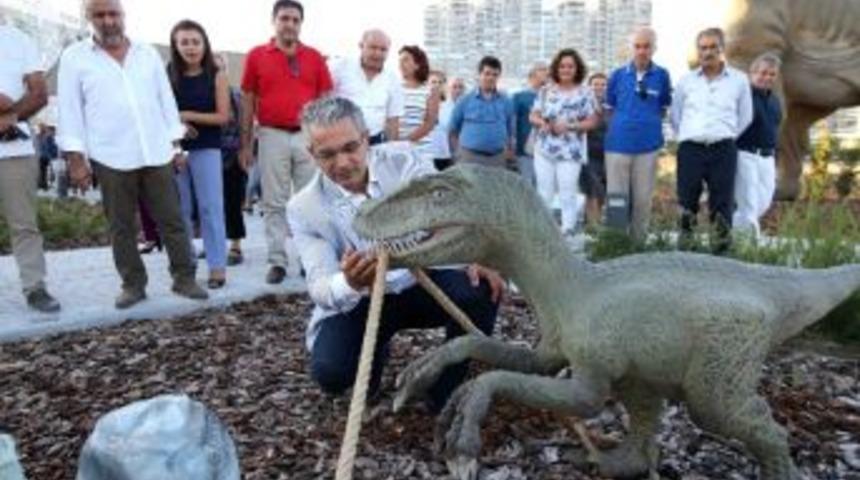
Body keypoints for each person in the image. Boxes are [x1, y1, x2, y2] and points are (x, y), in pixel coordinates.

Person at [287, 97, 505, 412]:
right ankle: (375, 349)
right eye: (328, 154)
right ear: (312, 154)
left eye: (350, 147)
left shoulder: (404, 159)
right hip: (361, 302)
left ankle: (446, 388)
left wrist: (475, 254)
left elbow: (448, 213)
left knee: (482, 288)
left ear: (366, 139)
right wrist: (350, 282)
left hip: (422, 284)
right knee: (332, 375)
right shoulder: (304, 207)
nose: (343, 163)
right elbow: (320, 286)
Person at [58, 0, 208, 309]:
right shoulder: (74, 58)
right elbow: (70, 111)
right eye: (99, 15)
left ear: (123, 15)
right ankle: (133, 284)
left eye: (113, 13)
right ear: (88, 18)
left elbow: (165, 101)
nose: (108, 20)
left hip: (156, 151)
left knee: (173, 220)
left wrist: (176, 146)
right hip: (110, 155)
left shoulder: (146, 53)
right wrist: (76, 158)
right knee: (121, 226)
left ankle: (184, 278)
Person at [240, 0, 333, 284]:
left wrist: (324, 140)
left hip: (307, 136)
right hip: (271, 134)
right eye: (284, 18)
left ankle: (310, 259)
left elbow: (325, 100)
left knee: (311, 199)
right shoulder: (257, 55)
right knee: (273, 200)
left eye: (295, 19)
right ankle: (277, 260)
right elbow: (247, 101)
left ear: (301, 24)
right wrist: (245, 143)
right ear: (274, 21)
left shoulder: (314, 57)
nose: (289, 24)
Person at [671, 27, 753, 254]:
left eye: (713, 47)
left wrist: (726, 135)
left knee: (722, 203)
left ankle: (721, 251)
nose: (707, 52)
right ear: (698, 51)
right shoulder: (686, 81)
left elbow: (745, 116)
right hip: (691, 150)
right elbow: (676, 116)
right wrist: (690, 135)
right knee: (687, 200)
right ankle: (686, 249)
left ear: (722, 49)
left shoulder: (739, 80)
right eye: (703, 48)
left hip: (723, 149)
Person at [0, 21, 61, 312]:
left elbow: (39, 93)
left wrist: (9, 116)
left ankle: (35, 288)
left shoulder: (18, 39)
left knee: (23, 223)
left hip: (14, 146)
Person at [167, 20, 230, 289]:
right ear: (176, 45)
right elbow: (161, 112)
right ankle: (186, 266)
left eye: (196, 42)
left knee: (210, 208)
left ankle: (217, 267)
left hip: (207, 148)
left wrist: (186, 115)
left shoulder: (217, 75)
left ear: (205, 45)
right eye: (184, 42)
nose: (191, 47)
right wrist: (177, 132)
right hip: (175, 150)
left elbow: (223, 117)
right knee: (180, 210)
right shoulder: (168, 74)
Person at [604, 27, 672, 241]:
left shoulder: (662, 75)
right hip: (617, 146)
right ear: (631, 48)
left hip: (648, 147)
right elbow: (609, 107)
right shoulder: (617, 75)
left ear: (654, 48)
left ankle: (638, 243)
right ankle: (615, 242)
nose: (642, 51)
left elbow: (663, 106)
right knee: (617, 198)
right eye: (637, 46)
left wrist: (646, 124)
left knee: (643, 199)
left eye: (646, 46)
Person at [529, 48, 600, 237]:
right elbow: (533, 115)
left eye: (570, 66)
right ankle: (543, 232)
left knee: (568, 192)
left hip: (571, 151)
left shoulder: (586, 92)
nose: (566, 70)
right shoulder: (545, 90)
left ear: (577, 69)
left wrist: (570, 126)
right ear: (556, 68)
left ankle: (568, 230)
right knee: (544, 193)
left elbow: (593, 121)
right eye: (562, 66)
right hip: (544, 149)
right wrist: (542, 123)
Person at [733, 52, 783, 237]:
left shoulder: (775, 101)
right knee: (749, 203)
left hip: (767, 158)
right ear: (752, 73)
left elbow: (775, 129)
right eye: (763, 73)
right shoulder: (743, 97)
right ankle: (751, 243)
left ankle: (732, 230)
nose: (767, 77)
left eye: (772, 74)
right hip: (745, 155)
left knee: (764, 201)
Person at [329, 29, 403, 146]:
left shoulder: (392, 78)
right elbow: (321, 100)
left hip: (375, 141)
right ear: (361, 46)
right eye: (373, 47)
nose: (378, 53)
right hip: (340, 141)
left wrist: (392, 148)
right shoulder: (339, 67)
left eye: (383, 50)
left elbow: (393, 119)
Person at [449, 56, 514, 169]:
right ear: (479, 75)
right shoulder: (465, 100)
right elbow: (453, 130)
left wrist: (509, 150)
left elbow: (510, 130)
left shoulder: (506, 101)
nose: (490, 78)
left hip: (497, 158)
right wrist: (457, 153)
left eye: (495, 75)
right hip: (469, 158)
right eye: (487, 73)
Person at [216, 53, 247, 265]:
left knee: (233, 201)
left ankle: (235, 245)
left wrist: (243, 150)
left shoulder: (235, 94)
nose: (217, 73)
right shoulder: (203, 95)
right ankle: (215, 243)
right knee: (211, 205)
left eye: (221, 68)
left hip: (232, 155)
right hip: (207, 153)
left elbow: (244, 124)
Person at [397, 45, 440, 164]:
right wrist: (395, 145)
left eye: (405, 60)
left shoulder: (431, 90)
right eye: (399, 61)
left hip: (421, 152)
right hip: (396, 151)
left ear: (417, 64)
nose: (401, 64)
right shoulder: (393, 88)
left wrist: (405, 142)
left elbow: (430, 123)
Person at [512, 63, 548, 186]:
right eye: (542, 71)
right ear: (531, 77)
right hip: (525, 149)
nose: (545, 75)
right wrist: (512, 145)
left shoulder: (553, 97)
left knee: (543, 185)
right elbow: (513, 122)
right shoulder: (519, 97)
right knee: (527, 183)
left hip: (547, 149)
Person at [581, 73, 609, 227]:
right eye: (596, 84)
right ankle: (592, 226)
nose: (599, 87)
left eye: (603, 85)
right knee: (592, 190)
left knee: (604, 192)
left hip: (610, 155)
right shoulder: (583, 105)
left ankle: (598, 225)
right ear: (589, 87)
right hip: (589, 154)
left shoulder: (612, 106)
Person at [427, 70, 453, 170]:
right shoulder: (420, 104)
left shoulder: (450, 106)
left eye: (440, 82)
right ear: (427, 84)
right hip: (426, 154)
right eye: (433, 82)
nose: (437, 85)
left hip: (445, 155)